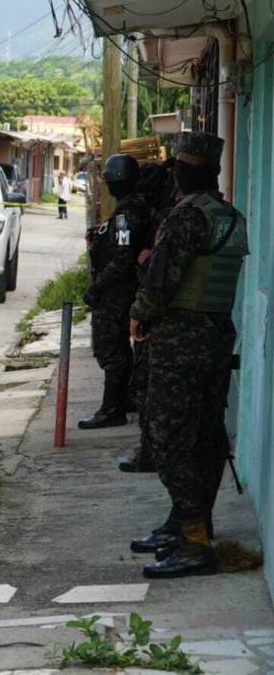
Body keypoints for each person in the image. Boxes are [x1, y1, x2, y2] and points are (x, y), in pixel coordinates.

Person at [129, 132, 248, 579]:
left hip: (180, 339)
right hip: (216, 337)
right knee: (204, 433)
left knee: (166, 434)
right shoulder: (230, 217)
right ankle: (187, 524)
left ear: (185, 169)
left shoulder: (186, 217)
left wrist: (139, 314)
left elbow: (163, 279)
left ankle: (195, 541)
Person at [79, 154, 149, 429]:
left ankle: (112, 408)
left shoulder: (126, 213)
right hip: (121, 290)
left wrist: (98, 288)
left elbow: (123, 256)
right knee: (118, 348)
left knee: (111, 349)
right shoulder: (131, 209)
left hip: (116, 293)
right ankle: (125, 398)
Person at [119, 160, 176, 473]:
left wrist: (139, 314)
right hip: (173, 321)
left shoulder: (171, 219)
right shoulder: (164, 215)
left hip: (161, 321)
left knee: (148, 390)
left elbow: (157, 274)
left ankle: (151, 454)